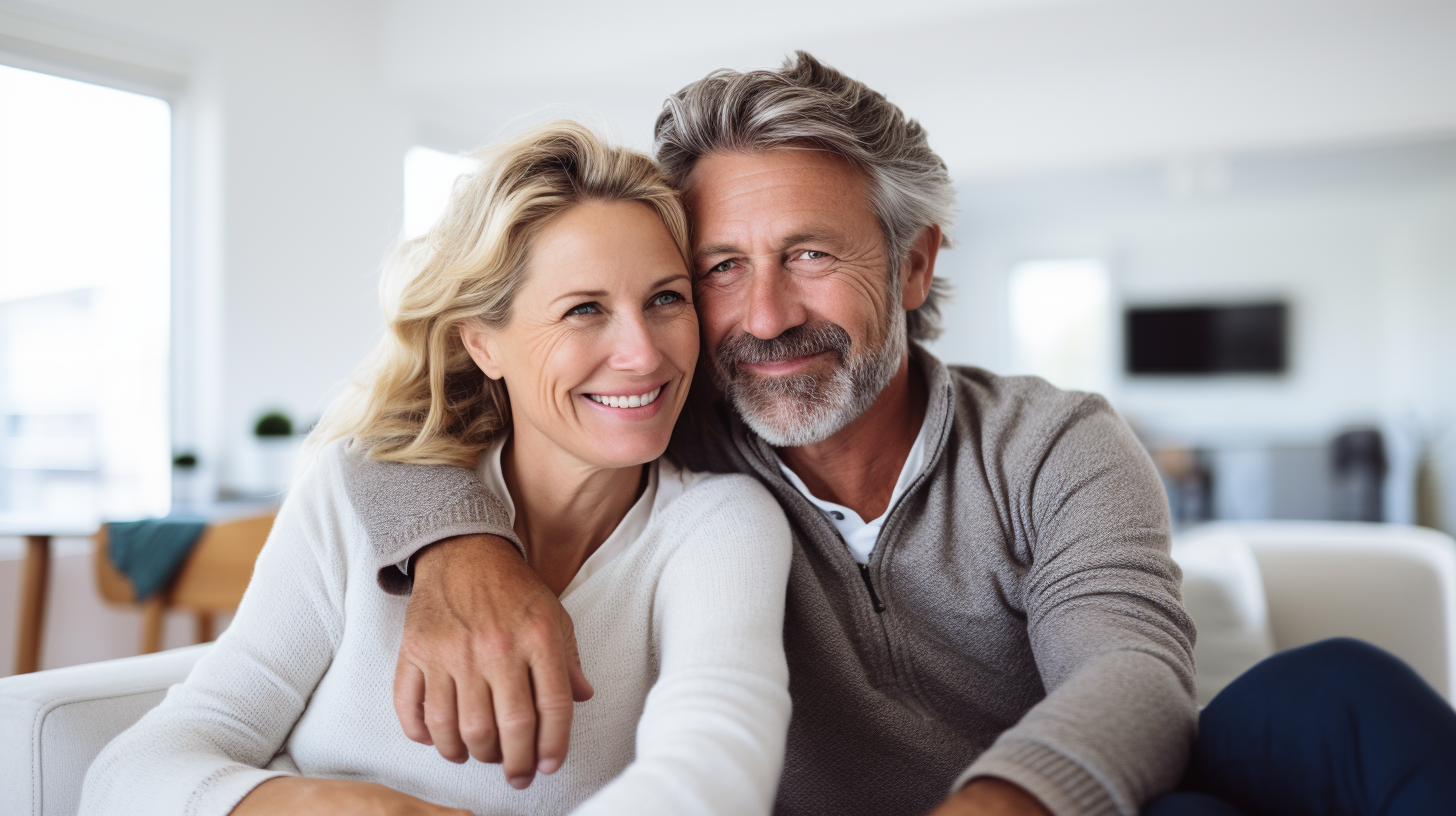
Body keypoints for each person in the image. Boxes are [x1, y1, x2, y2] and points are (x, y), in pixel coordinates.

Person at [339, 54, 1456, 816]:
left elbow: (1131, 676)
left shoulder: (1050, 441)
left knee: (1337, 691)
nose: (767, 314)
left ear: (914, 263)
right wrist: (457, 548)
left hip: (1079, 795)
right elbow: (422, 409)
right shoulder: (666, 442)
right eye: (722, 269)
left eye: (811, 255)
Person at [80, 122, 794, 816]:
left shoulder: (720, 525)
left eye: (666, 298)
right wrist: (322, 805)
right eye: (583, 310)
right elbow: (129, 775)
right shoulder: (349, 491)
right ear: (483, 344)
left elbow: (710, 772)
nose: (643, 353)